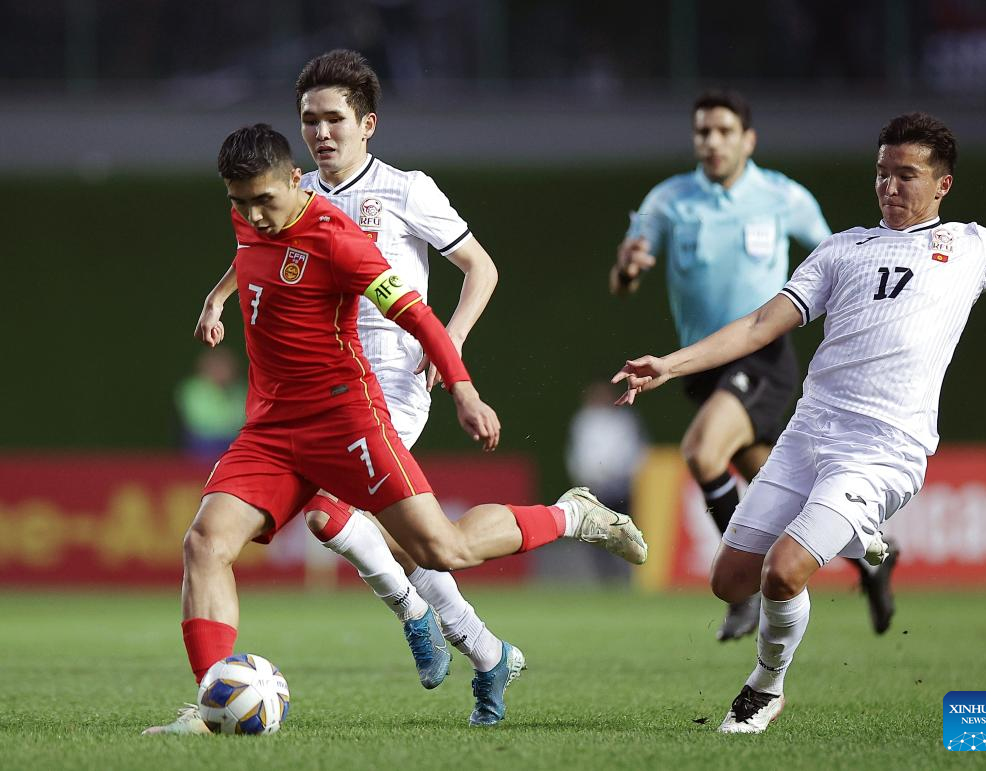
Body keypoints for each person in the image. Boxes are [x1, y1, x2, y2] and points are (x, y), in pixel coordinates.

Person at [146, 124, 646, 735]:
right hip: (271, 429)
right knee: (205, 544)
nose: (253, 216)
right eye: (239, 202)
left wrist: (464, 390)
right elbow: (251, 254)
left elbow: (418, 316)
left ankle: (571, 516)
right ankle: (211, 705)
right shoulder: (251, 216)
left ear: (296, 180)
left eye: (264, 201)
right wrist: (216, 297)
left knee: (443, 550)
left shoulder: (339, 239)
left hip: (345, 421)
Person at [613, 112, 986, 733]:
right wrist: (669, 365)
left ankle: (765, 687)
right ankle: (861, 540)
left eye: (906, 175)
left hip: (882, 449)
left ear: (943, 185)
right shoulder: (842, 249)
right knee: (730, 581)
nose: (888, 186)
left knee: (783, 572)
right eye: (881, 173)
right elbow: (760, 324)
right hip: (807, 435)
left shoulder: (973, 246)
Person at [194, 50, 509, 712]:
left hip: (390, 375)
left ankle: (416, 615)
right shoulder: (288, 188)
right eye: (309, 119)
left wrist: (452, 345)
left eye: (334, 118)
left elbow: (480, 268)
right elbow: (257, 249)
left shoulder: (407, 190)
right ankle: (480, 646)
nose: (320, 132)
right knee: (407, 536)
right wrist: (219, 296)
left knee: (330, 513)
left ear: (367, 124)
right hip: (315, 383)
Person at [611, 89, 897, 639]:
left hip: (761, 356)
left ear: (748, 140)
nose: (712, 142)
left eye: (724, 131)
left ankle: (741, 592)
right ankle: (870, 556)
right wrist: (626, 269)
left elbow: (840, 258)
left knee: (701, 451)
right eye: (703, 132)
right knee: (776, 485)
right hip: (701, 366)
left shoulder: (783, 196)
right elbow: (625, 279)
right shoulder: (667, 200)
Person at [565, 380, 648, 582]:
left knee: (625, 530)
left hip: (621, 485)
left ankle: (628, 574)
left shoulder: (624, 420)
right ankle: (605, 576)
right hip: (595, 487)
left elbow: (636, 451)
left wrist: (626, 474)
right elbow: (578, 454)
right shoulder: (583, 420)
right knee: (596, 533)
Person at [174, 347, 247, 462]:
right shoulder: (192, 389)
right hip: (204, 442)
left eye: (225, 366)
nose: (222, 371)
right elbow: (201, 421)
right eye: (217, 366)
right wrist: (229, 423)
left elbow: (246, 419)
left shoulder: (241, 390)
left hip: (234, 440)